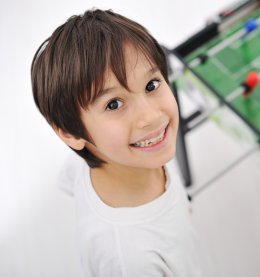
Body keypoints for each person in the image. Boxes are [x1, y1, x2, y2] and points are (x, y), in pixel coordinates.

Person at [31, 9, 201, 276]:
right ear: (70, 133)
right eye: (114, 104)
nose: (151, 117)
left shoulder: (135, 153)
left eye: (151, 85)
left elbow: (69, 181)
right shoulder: (131, 262)